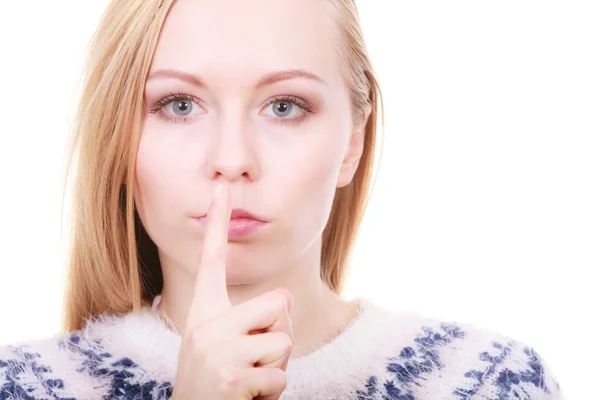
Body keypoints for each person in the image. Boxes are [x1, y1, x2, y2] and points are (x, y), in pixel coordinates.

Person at [0, 0, 562, 399]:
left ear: (352, 144)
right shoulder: (25, 387)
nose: (231, 157)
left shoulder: (489, 384)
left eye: (286, 106)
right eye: (178, 104)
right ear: (120, 140)